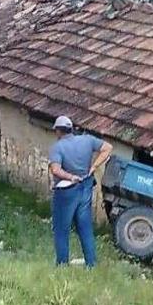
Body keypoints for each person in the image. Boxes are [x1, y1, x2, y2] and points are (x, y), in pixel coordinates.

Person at [48, 115, 113, 268]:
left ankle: (62, 264)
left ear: (58, 131)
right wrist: (94, 167)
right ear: (71, 129)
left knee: (61, 229)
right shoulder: (87, 140)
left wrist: (71, 177)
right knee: (85, 227)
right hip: (86, 187)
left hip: (66, 192)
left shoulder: (57, 147)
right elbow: (108, 148)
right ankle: (91, 264)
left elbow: (56, 170)